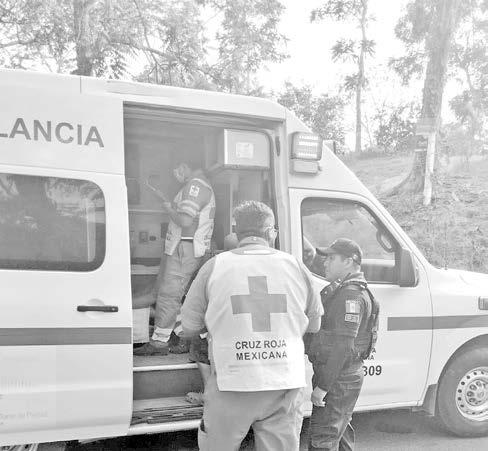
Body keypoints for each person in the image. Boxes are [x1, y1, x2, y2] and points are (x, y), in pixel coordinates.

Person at [181, 201, 323, 451]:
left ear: (236, 234)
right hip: (284, 384)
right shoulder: (296, 267)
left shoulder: (214, 267)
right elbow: (314, 325)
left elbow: (189, 328)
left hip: (231, 382)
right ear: (270, 232)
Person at [135, 161, 215, 356]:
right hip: (185, 248)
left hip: (184, 248)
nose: (175, 173)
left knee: (168, 296)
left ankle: (159, 343)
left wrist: (168, 209)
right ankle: (184, 337)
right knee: (175, 296)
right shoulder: (200, 186)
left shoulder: (195, 186)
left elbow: (185, 220)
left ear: (186, 166)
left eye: (177, 168)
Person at [306, 238, 379, 451]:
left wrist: (323, 387)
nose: (325, 262)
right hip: (342, 377)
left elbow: (343, 346)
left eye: (331, 258)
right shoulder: (345, 290)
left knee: (323, 440)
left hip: (339, 379)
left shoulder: (350, 295)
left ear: (348, 262)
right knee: (339, 432)